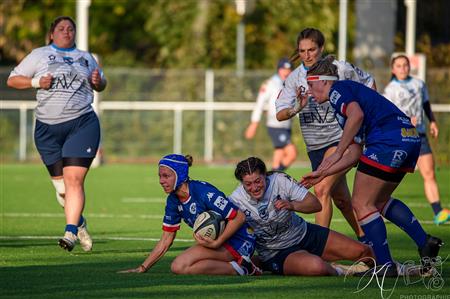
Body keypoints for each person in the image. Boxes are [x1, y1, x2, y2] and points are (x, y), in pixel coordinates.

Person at [300, 56, 443, 277]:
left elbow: (356, 116)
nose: (309, 91)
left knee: (361, 203)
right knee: (379, 201)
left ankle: (386, 266)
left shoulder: (338, 90)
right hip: (408, 138)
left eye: (311, 84)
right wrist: (324, 172)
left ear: (325, 81)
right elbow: (355, 151)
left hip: (388, 140)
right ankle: (425, 242)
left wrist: (337, 151)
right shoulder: (344, 98)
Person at [6, 16, 107, 252]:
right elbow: (12, 80)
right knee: (62, 190)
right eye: (61, 28)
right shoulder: (39, 55)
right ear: (52, 34)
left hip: (82, 124)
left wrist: (98, 81)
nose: (66, 32)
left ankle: (70, 232)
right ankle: (79, 222)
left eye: (71, 28)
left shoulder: (86, 57)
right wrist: (36, 82)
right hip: (47, 129)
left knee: (74, 181)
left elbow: (102, 83)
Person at [275, 28, 374, 240]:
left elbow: (369, 82)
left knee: (320, 189)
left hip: (342, 141)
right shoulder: (294, 78)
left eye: (312, 49)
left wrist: (366, 121)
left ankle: (322, 249)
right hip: (315, 147)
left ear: (321, 48)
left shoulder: (340, 68)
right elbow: (280, 114)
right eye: (302, 51)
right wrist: (296, 108)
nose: (307, 55)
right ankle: (367, 241)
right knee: (342, 201)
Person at [228, 156, 374, 276]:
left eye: (257, 181)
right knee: (317, 268)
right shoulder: (236, 200)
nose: (254, 188)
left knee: (364, 251)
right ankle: (342, 271)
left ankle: (392, 269)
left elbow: (315, 204)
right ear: (242, 184)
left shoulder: (279, 180)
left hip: (304, 233)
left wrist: (292, 206)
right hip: (277, 252)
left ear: (265, 175)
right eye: (248, 184)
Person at [119, 154, 260, 275]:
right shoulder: (173, 201)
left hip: (240, 241)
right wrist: (143, 267)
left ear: (180, 175)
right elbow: (166, 238)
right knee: (184, 266)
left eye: (166, 176)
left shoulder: (204, 192)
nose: (161, 181)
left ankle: (242, 269)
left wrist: (217, 241)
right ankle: (243, 265)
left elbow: (239, 217)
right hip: (220, 244)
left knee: (179, 266)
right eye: (160, 176)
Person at [383, 54, 450, 225]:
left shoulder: (419, 84)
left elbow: (426, 104)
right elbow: (388, 115)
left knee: (429, 173)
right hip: (400, 138)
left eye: (405, 65)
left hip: (419, 136)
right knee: (389, 175)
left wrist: (433, 121)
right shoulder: (390, 90)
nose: (403, 68)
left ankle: (438, 212)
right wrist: (405, 120)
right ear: (393, 69)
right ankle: (377, 205)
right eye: (398, 66)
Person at [245, 58, 297, 171]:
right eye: (284, 69)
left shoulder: (291, 84)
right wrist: (254, 123)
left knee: (278, 155)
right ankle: (274, 177)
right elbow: (260, 103)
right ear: (279, 70)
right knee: (292, 154)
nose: (286, 72)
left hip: (286, 125)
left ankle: (272, 180)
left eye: (289, 69)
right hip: (276, 125)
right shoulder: (271, 83)